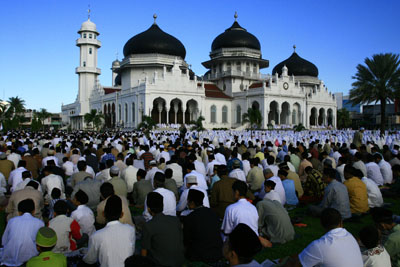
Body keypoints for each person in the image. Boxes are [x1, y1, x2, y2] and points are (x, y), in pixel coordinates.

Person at [293, 208, 363, 267]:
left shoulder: (319, 245)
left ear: (322, 225)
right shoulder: (350, 236)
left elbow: (294, 263)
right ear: (341, 222)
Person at [84, 195, 136, 267]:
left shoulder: (96, 236)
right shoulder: (130, 230)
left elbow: (89, 260)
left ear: (103, 214)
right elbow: (131, 252)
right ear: (122, 214)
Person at [141, 192, 185, 267]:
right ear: (162, 206)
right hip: (179, 262)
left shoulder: (148, 225)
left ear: (148, 209)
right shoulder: (175, 220)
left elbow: (144, 251)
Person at [183, 189, 223, 263]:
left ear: (192, 202)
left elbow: (186, 239)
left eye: (188, 201)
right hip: (217, 251)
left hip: (200, 255)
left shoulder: (190, 217)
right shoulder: (213, 213)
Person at [1, 199, 45, 266]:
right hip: (29, 260)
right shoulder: (40, 223)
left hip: (9, 260)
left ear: (19, 212)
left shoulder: (12, 221)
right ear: (33, 211)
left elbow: (4, 241)